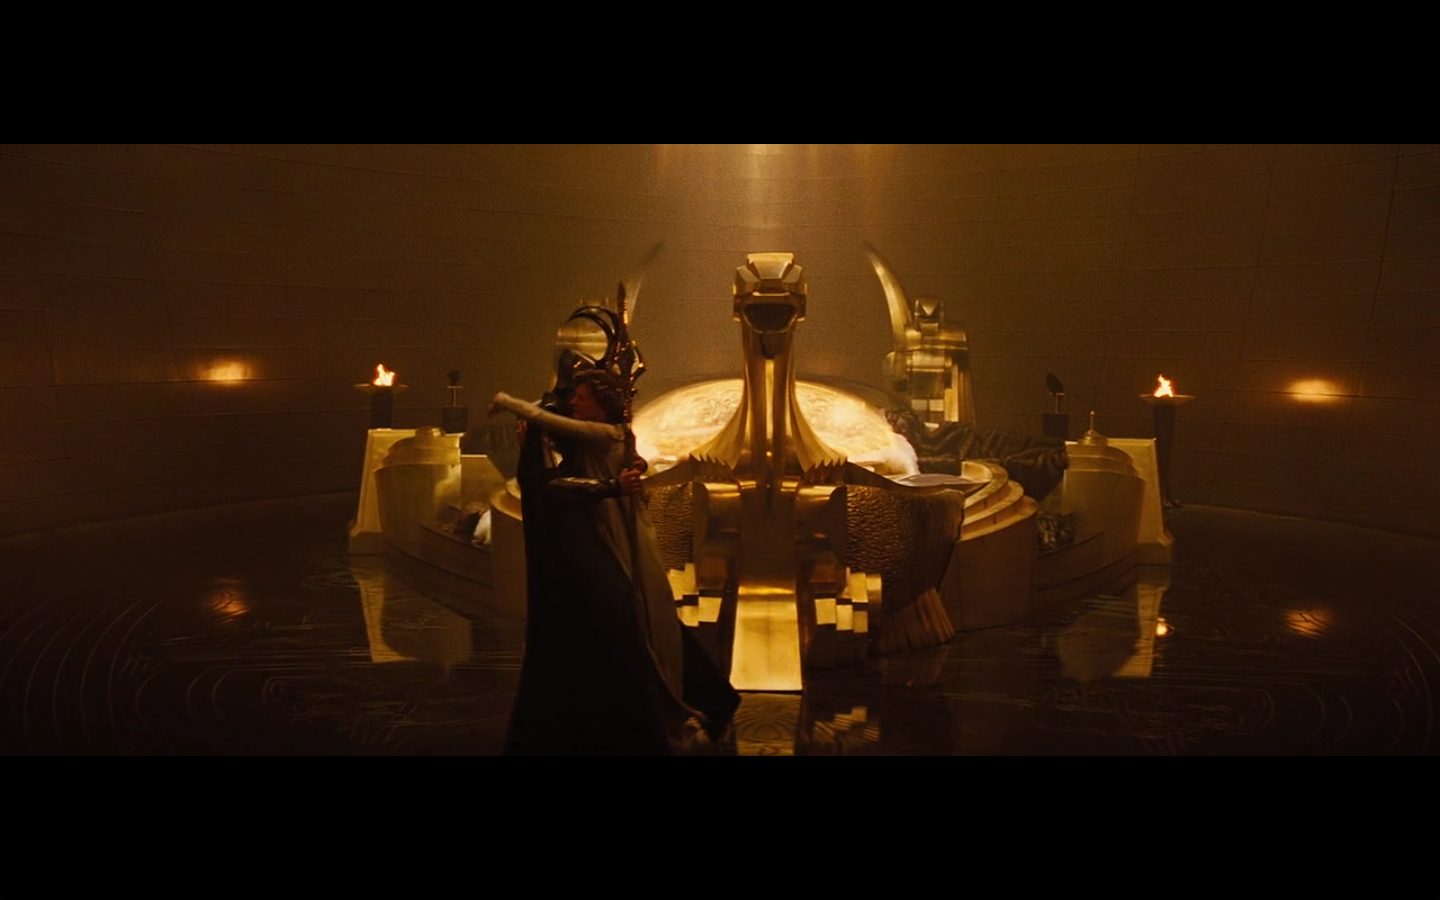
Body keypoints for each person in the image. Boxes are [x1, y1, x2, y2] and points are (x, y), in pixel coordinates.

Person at [491, 368, 738, 754]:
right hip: (604, 525)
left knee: (644, 611)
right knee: (636, 612)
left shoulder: (604, 432)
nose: (575, 402)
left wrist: (509, 403)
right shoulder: (595, 433)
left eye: (583, 398)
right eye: (574, 396)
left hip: (616, 528)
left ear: (602, 404)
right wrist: (623, 475)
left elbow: (566, 458)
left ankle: (681, 700)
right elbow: (569, 470)